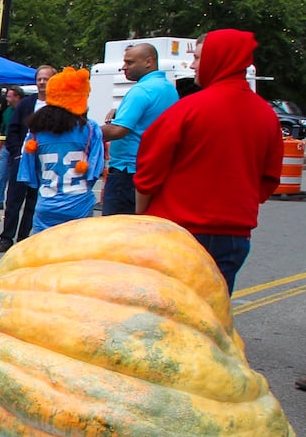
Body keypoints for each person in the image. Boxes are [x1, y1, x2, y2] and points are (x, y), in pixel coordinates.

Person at [135, 29, 282, 294]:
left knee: (172, 313)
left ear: (218, 60)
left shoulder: (186, 110)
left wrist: (142, 215)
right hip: (234, 236)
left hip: (178, 232)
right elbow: (269, 179)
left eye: (199, 58)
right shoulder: (267, 115)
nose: (192, 66)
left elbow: (147, 173)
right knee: (214, 313)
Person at [16, 67, 105, 233]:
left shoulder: (36, 130)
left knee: (43, 252)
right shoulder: (90, 129)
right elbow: (96, 169)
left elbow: (28, 170)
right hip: (79, 203)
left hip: (47, 202)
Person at [98, 43, 177, 216]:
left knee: (116, 232)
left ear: (149, 61)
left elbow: (119, 130)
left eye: (130, 62)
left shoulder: (141, 90)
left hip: (126, 173)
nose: (123, 67)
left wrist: (86, 131)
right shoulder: (169, 89)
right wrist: (120, 112)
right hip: (154, 169)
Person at [0, 65, 56, 253]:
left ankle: (23, 239)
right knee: (13, 200)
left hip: (45, 162)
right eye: (39, 79)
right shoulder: (26, 104)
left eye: (46, 79)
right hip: (22, 159)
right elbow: (12, 131)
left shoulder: (58, 105)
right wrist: (16, 153)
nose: (42, 82)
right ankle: (6, 238)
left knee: (34, 202)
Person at [0, 86, 23, 209]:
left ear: (17, 97)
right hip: (7, 146)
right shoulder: (7, 112)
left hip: (21, 147)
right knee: (0, 173)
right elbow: (3, 130)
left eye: (9, 96)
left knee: (19, 177)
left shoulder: (25, 110)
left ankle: (15, 202)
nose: (7, 99)